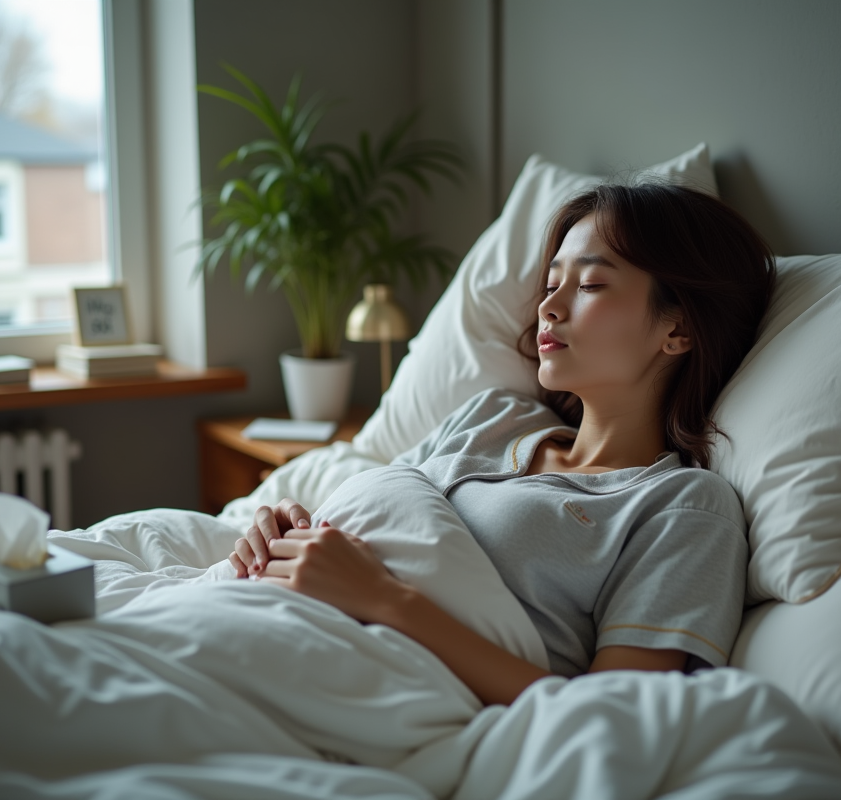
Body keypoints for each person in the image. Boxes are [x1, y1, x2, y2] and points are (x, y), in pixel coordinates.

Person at [228, 181, 776, 707]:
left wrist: (383, 599)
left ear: (677, 329)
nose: (549, 307)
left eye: (588, 285)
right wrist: (284, 526)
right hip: (262, 613)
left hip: (363, 678)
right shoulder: (493, 415)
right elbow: (373, 511)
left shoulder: (683, 506)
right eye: (552, 283)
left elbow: (609, 715)